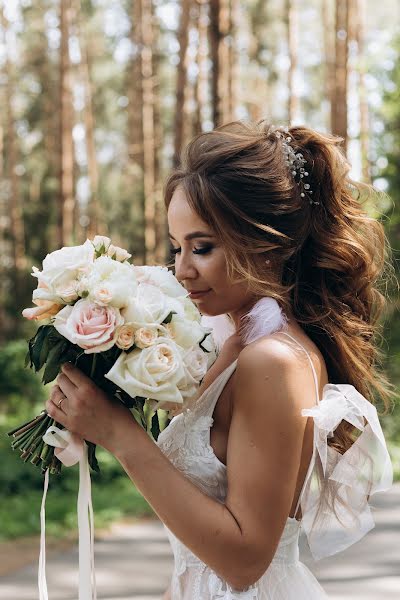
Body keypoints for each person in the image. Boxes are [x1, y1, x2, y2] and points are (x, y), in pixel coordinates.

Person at [47, 120, 394, 599]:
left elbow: (246, 559)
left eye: (202, 247)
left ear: (268, 243)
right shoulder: (238, 341)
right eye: (177, 246)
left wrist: (121, 435)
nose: (182, 269)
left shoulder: (273, 360)